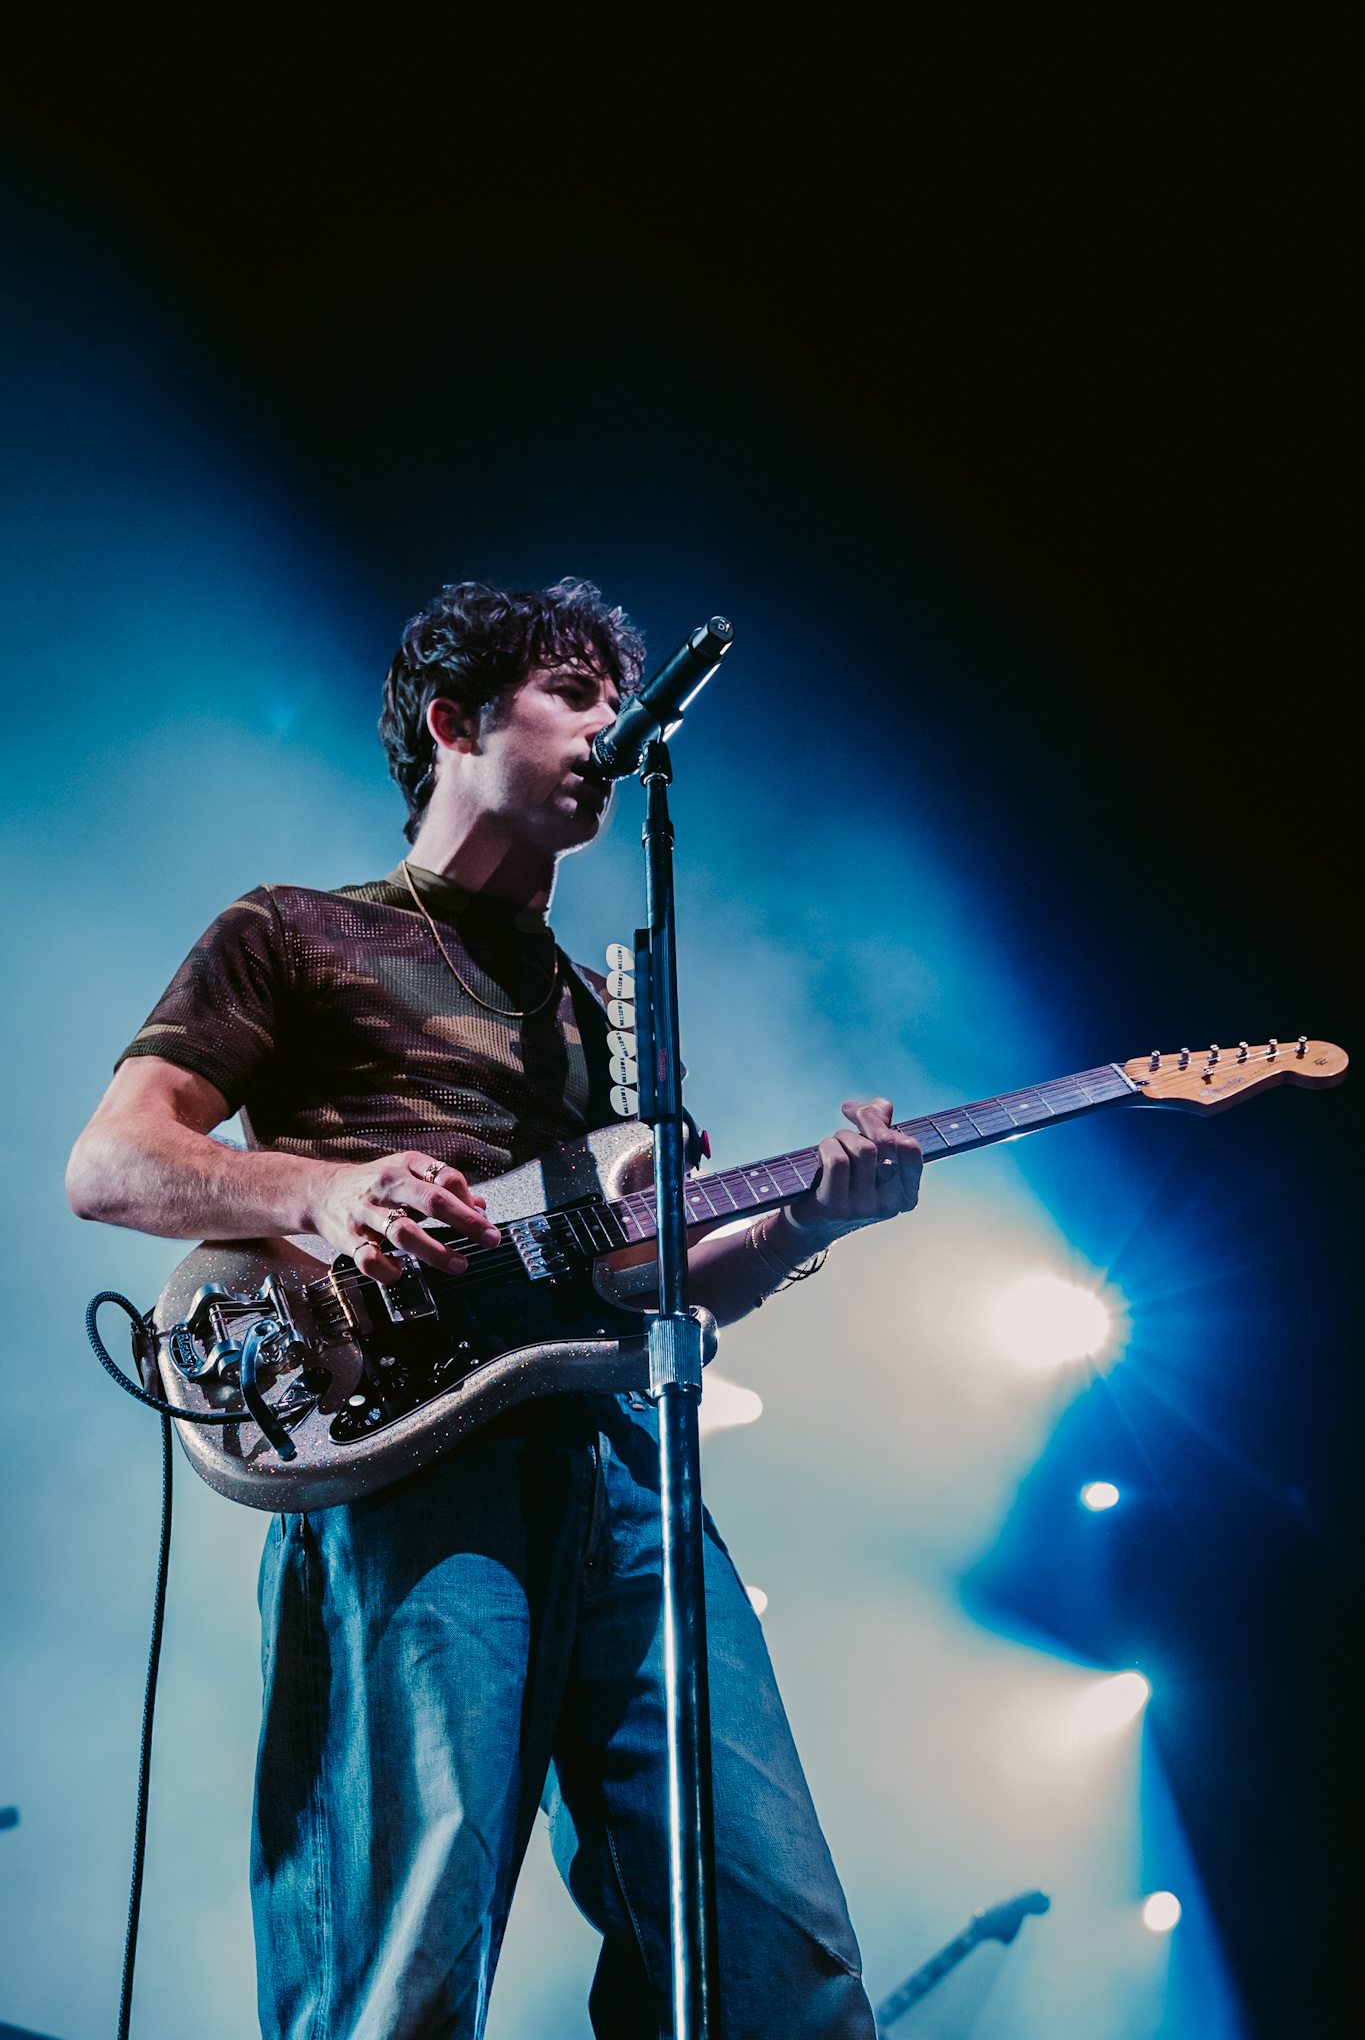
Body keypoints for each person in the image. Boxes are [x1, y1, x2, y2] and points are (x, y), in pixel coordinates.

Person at [66, 578, 923, 2039]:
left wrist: (806, 1223)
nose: (610, 729)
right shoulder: (295, 930)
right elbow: (113, 1162)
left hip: (623, 1473)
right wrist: (319, 1192)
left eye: (619, 701)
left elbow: (650, 1282)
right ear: (453, 721)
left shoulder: (600, 1013)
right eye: (573, 696)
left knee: (776, 1957)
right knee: (405, 1957)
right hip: (405, 1455)